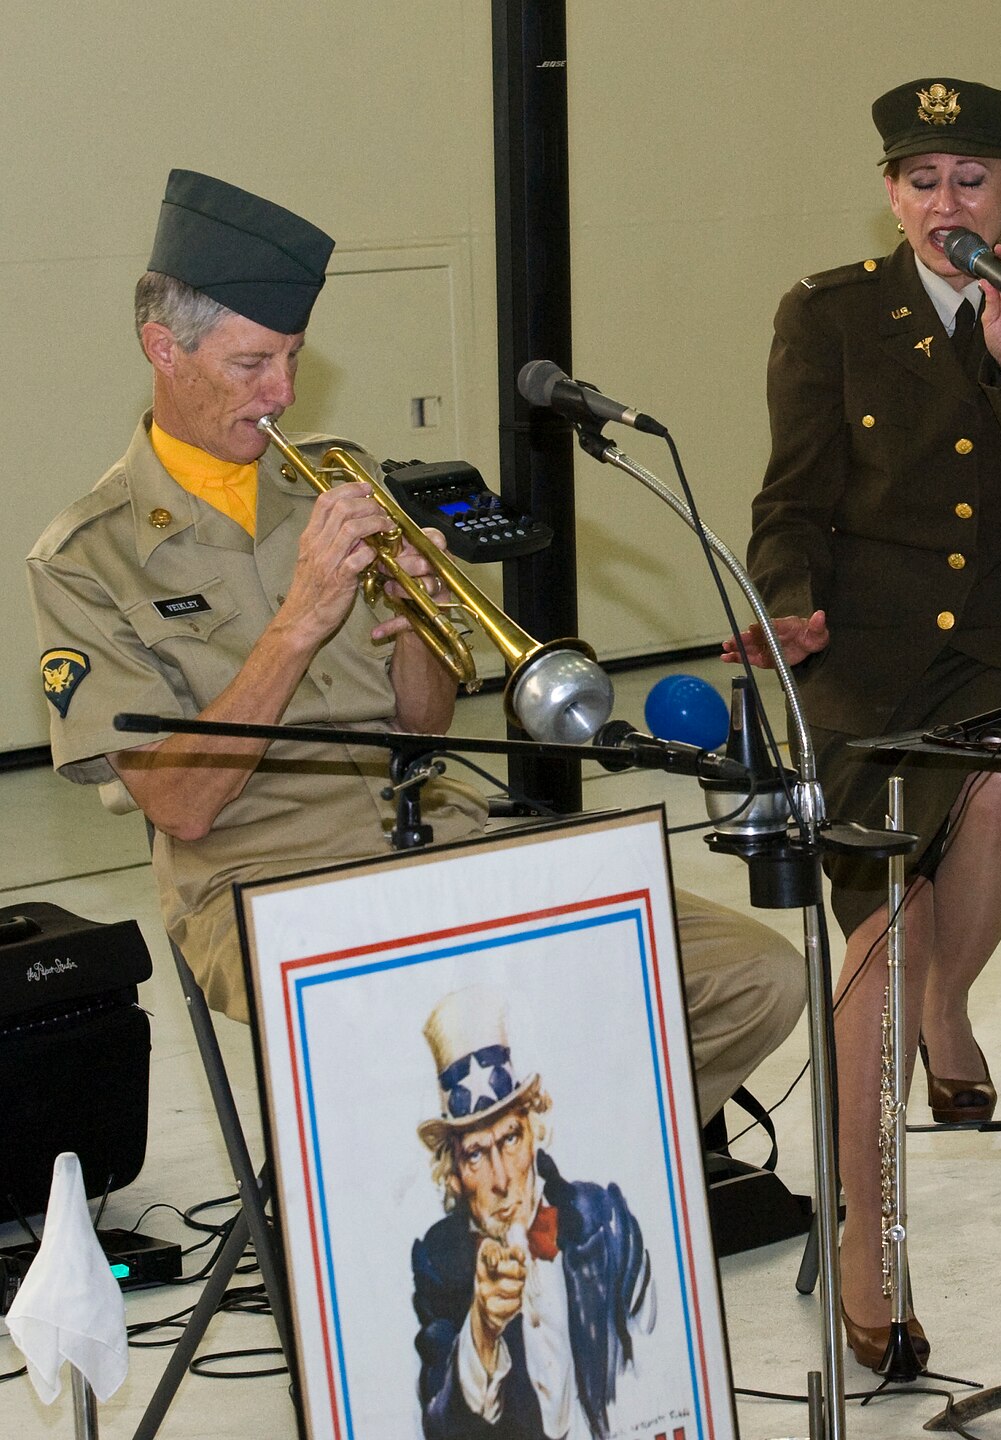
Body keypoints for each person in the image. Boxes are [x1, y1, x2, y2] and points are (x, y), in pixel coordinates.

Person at [27, 170, 804, 1127]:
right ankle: (485, 1186)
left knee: (756, 973)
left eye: (295, 358)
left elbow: (421, 724)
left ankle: (565, 1169)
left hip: (439, 835)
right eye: (252, 365)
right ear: (163, 351)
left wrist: (425, 619)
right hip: (261, 880)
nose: (284, 393)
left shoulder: (332, 474)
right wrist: (303, 616)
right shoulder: (84, 558)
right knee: (445, 1024)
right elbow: (182, 806)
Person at [726, 78, 1001, 1367]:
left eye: (971, 179)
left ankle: (952, 1004)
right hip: (867, 656)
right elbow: (787, 505)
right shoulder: (828, 313)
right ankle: (865, 1235)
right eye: (921, 181)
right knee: (878, 925)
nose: (946, 204)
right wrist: (786, 607)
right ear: (891, 195)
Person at [411, 988, 652, 1440]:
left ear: (534, 1130)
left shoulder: (606, 1219)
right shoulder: (438, 1262)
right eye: (477, 1155)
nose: (502, 1179)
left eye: (510, 1139)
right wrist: (482, 1330)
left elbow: (663, 1370)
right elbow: (440, 1426)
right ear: (455, 1175)